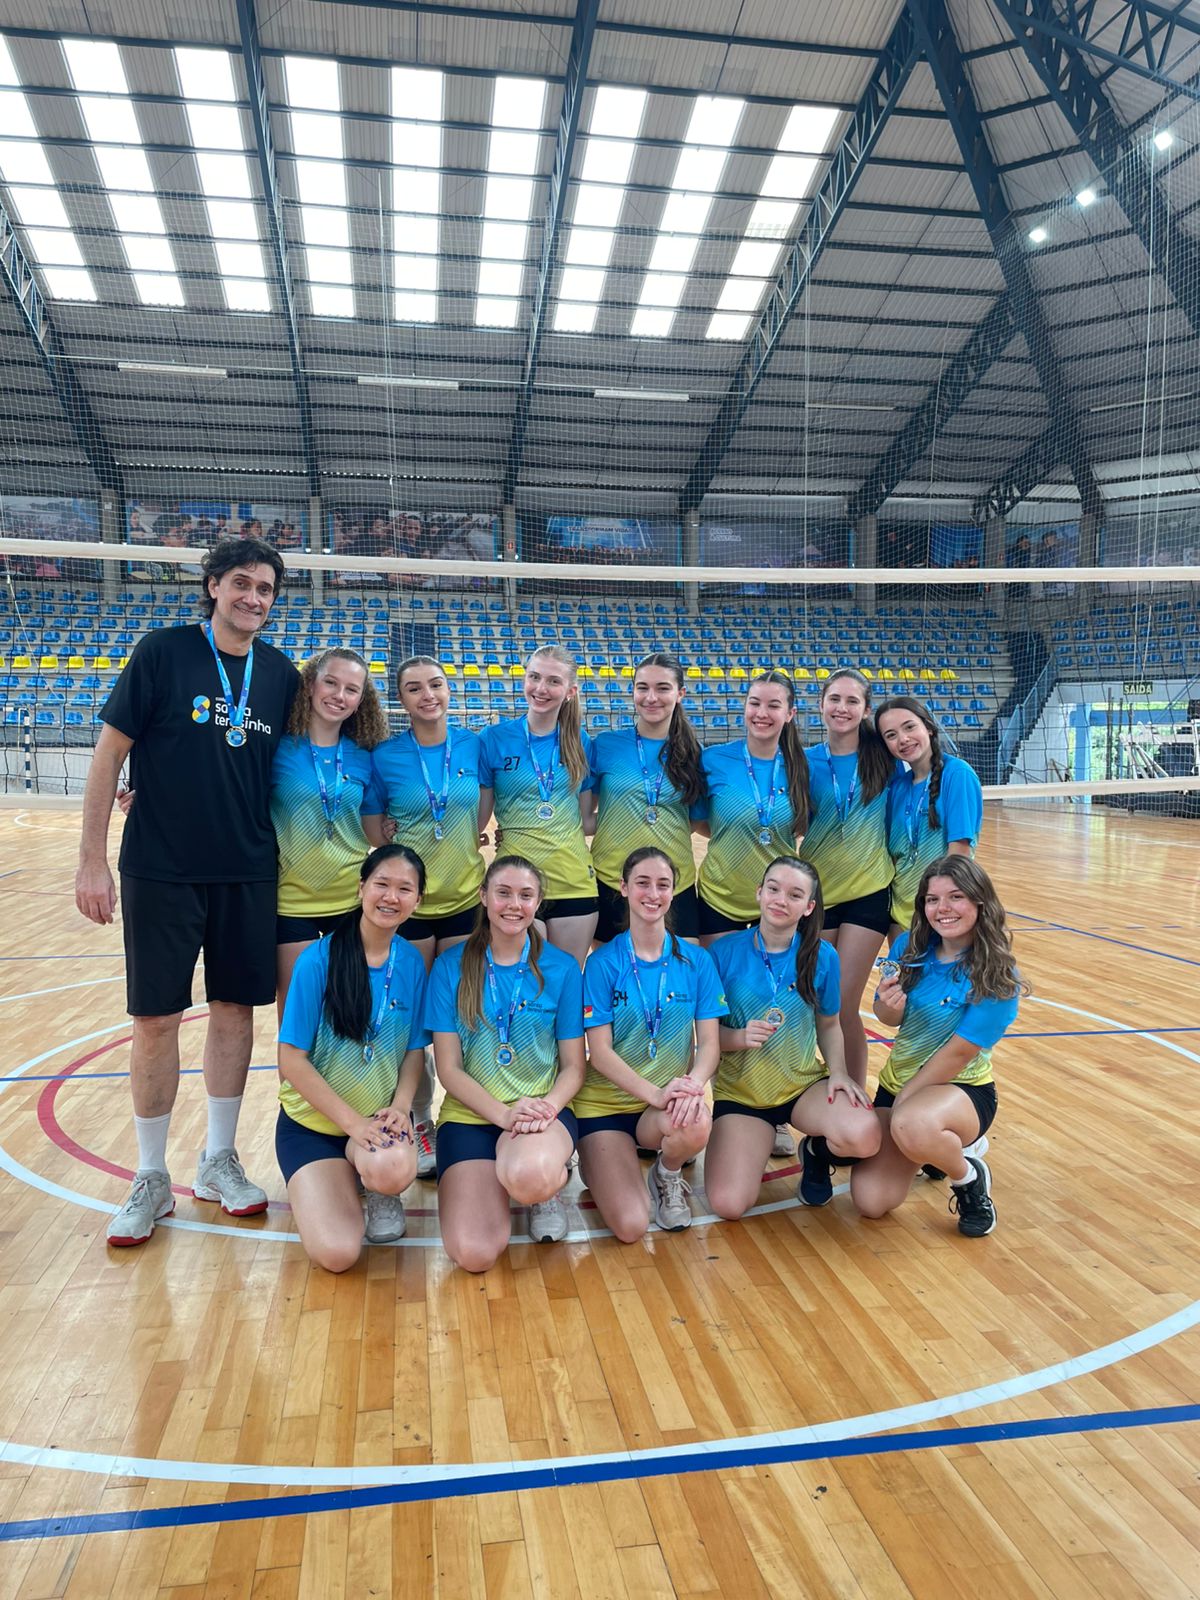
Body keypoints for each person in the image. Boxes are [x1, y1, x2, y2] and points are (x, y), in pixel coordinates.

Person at [75, 536, 298, 1247]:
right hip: (161, 868)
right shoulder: (163, 653)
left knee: (235, 1012)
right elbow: (109, 754)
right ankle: (149, 1176)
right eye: (242, 584)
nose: (253, 598)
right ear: (212, 586)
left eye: (265, 589)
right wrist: (91, 861)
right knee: (155, 1020)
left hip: (248, 870)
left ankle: (218, 1160)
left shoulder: (280, 675)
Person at [425, 857, 586, 1270]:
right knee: (474, 1254)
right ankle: (504, 1177)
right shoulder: (449, 967)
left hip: (541, 1115)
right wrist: (503, 1115)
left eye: (526, 895)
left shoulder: (562, 968)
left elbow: (574, 1066)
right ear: (483, 897)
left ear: (538, 903)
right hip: (472, 1115)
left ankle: (543, 1186)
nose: (514, 904)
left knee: (530, 1177)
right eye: (503, 893)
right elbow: (449, 1069)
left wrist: (546, 1109)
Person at [851, 857, 1025, 1237]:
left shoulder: (997, 974)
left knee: (912, 1124)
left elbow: (959, 1053)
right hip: (899, 1084)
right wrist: (888, 1005)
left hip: (961, 1088)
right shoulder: (908, 946)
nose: (942, 908)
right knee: (871, 1201)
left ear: (980, 901)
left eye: (955, 897)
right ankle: (931, 1149)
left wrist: (905, 1101)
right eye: (932, 899)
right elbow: (887, 1016)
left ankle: (968, 1178)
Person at [277, 846, 430, 1262]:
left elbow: (414, 1050)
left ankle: (376, 1186)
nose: (391, 897)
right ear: (362, 887)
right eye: (381, 884)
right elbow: (291, 1059)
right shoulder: (317, 960)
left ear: (418, 900)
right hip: (313, 1128)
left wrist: (401, 1106)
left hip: (377, 1124)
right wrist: (352, 1124)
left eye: (405, 889)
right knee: (338, 1254)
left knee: (393, 1170)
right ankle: (339, 1177)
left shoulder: (411, 963)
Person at [704, 859, 879, 1219]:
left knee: (864, 1135)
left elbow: (829, 1025)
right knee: (728, 1204)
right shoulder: (723, 953)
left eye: (795, 894)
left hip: (801, 1087)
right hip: (742, 1095)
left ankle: (816, 1153)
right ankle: (756, 1139)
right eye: (773, 889)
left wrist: (839, 1073)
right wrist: (738, 1036)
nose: (781, 900)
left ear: (809, 906)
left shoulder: (822, 956)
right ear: (759, 893)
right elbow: (706, 1036)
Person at [367, 655, 486, 1175]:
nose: (427, 695)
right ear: (401, 699)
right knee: (411, 1020)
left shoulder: (474, 746)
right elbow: (374, 826)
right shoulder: (386, 755)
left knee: (463, 1014)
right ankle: (417, 1119)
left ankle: (471, 1114)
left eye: (435, 684)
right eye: (414, 688)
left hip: (463, 902)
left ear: (448, 690)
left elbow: (483, 807)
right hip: (409, 910)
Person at [573, 849, 726, 1239]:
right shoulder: (602, 963)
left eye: (663, 885)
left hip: (661, 1107)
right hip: (606, 1107)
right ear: (624, 888)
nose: (653, 894)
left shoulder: (697, 961)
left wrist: (692, 1085)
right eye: (642, 883)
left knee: (696, 1119)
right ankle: (597, 1161)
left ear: (674, 892)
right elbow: (600, 1054)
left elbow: (710, 1045)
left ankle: (667, 1173)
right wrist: (657, 1093)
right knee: (630, 1226)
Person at [272, 648, 391, 1012]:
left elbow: (372, 833)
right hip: (291, 902)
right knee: (297, 1013)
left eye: (351, 689)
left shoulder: (364, 756)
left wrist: (394, 830)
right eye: (331, 683)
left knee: (350, 1010)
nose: (340, 695)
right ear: (310, 685)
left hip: (351, 900)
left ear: (360, 700)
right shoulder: (277, 749)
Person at [802, 668, 896, 1089]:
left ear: (866, 709)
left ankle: (855, 1093)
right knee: (815, 1003)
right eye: (834, 699)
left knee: (842, 1003)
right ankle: (815, 1087)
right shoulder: (804, 761)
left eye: (852, 701)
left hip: (868, 892)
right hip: (818, 894)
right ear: (821, 704)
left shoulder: (885, 759)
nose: (842, 708)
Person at [478, 646, 598, 965]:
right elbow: (478, 819)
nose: (541, 688)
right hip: (516, 881)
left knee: (567, 978)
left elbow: (585, 820)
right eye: (534, 677)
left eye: (553, 681)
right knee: (524, 980)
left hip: (574, 882)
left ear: (570, 691)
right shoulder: (494, 738)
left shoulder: (582, 742)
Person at [582, 653, 705, 944]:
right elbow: (585, 817)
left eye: (662, 688)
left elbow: (693, 820)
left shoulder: (693, 752)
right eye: (642, 687)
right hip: (612, 880)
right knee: (613, 968)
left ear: (680, 694)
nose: (651, 697)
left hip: (673, 883)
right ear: (633, 691)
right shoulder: (606, 745)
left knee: (679, 966)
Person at [696, 670, 810, 943]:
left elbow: (804, 824)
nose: (762, 713)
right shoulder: (712, 759)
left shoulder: (803, 766)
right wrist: (737, 830)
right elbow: (699, 820)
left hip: (778, 901)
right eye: (755, 703)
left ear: (790, 714)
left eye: (773, 706)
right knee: (721, 972)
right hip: (720, 899)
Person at [876, 695, 984, 941]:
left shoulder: (957, 774)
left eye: (909, 727)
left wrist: (942, 907)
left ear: (929, 728)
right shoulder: (897, 787)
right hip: (900, 913)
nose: (903, 739)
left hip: (940, 913)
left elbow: (959, 853)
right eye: (891, 735)